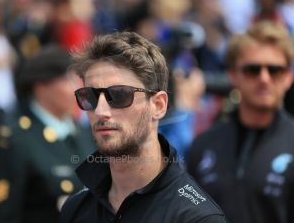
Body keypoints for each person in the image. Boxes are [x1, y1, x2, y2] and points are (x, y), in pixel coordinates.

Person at [60, 31, 227, 223]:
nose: (100, 110)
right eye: (89, 97)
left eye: (119, 95)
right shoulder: (76, 209)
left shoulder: (196, 218)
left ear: (158, 105)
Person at [186, 21, 294, 223]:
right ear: (233, 75)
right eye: (252, 69)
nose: (264, 78)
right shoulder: (202, 146)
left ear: (289, 77)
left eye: (274, 70)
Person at [0, 45, 94, 223]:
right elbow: (0, 215)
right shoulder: (14, 140)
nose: (80, 89)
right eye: (70, 81)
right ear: (42, 86)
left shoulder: (85, 133)